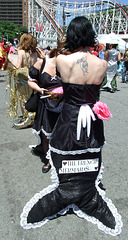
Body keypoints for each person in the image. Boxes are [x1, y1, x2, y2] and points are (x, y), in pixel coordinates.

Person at [20, 17, 123, 236]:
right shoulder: (102, 64)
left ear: (72, 35)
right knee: (90, 151)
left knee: (67, 152)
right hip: (92, 116)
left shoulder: (62, 61)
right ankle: (84, 191)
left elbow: (50, 79)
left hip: (70, 116)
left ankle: (67, 191)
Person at [27, 48, 64, 173]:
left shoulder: (67, 65)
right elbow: (31, 81)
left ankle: (60, 158)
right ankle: (48, 160)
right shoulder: (42, 63)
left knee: (62, 133)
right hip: (45, 103)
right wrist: (41, 90)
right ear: (58, 52)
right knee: (46, 133)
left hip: (63, 104)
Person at [8, 33, 44, 128]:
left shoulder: (21, 52)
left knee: (24, 98)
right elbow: (44, 59)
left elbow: (18, 66)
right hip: (34, 77)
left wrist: (10, 61)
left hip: (24, 78)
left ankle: (27, 117)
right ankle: (33, 116)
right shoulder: (35, 52)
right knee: (33, 96)